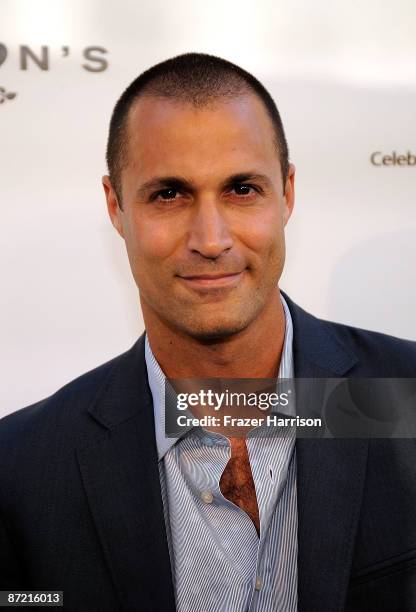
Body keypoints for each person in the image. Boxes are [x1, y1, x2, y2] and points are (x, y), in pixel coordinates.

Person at [0, 53, 415, 612]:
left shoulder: (405, 400)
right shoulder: (20, 471)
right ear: (116, 206)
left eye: (242, 188)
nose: (211, 238)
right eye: (169, 194)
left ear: (286, 193)